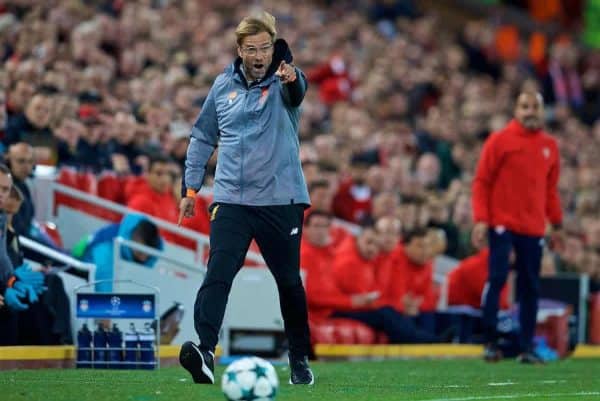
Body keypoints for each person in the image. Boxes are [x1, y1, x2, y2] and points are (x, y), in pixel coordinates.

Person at [177, 11, 314, 385]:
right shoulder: (222, 87)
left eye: (265, 48)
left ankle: (300, 358)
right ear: (239, 49)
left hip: (280, 200)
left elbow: (297, 91)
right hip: (232, 200)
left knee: (288, 281)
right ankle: (205, 351)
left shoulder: (288, 78)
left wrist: (290, 78)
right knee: (218, 271)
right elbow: (202, 136)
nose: (259, 55)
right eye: (251, 49)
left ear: (273, 48)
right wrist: (190, 188)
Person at [471, 91, 563, 363]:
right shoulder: (499, 141)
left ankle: (525, 346)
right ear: (515, 109)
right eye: (525, 106)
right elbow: (481, 182)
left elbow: (550, 190)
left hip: (533, 227)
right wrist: (480, 219)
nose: (530, 112)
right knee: (497, 277)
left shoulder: (550, 146)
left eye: (535, 106)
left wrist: (556, 224)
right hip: (502, 223)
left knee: (531, 287)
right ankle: (490, 340)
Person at [72, 214, 163, 293]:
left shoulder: (133, 246)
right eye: (141, 251)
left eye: (147, 253)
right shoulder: (107, 250)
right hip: (80, 280)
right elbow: (105, 293)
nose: (144, 257)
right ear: (134, 236)